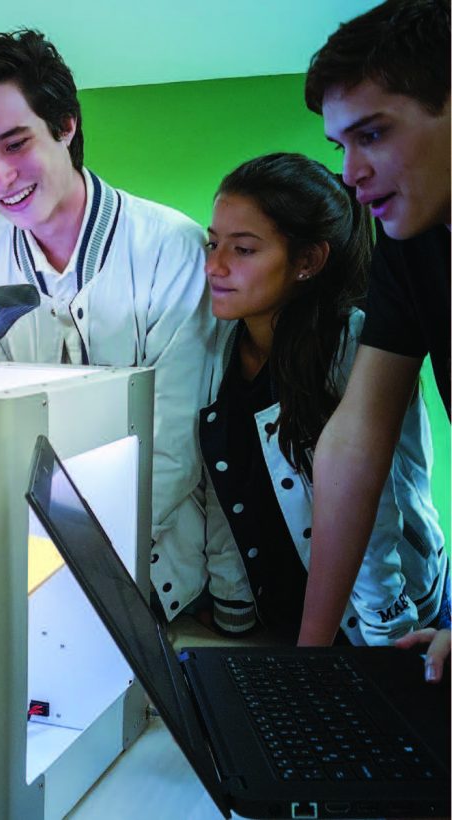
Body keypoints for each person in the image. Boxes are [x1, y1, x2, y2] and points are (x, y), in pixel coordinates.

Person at [0, 31, 215, 623]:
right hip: (21, 563)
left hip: (149, 569)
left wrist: (61, 554)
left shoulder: (171, 246)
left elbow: (176, 445)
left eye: (15, 144)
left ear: (65, 125)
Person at [199, 152, 447, 646]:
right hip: (288, 618)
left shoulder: (354, 347)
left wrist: (384, 648)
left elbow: (374, 517)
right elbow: (227, 485)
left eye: (243, 249)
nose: (215, 266)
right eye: (212, 243)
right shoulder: (219, 344)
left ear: (308, 262)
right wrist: (234, 613)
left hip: (386, 619)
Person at [293, 0, 451, 681]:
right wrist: (308, 662)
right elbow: (358, 436)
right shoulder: (413, 243)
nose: (351, 171)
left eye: (374, 135)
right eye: (341, 146)